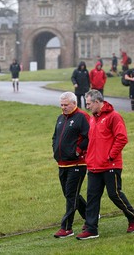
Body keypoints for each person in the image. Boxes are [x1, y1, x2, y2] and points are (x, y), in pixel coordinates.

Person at [76, 89, 134, 240]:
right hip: (94, 165)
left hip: (111, 165)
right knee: (92, 197)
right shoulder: (92, 119)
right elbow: (93, 141)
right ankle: (92, 229)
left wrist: (111, 156)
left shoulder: (114, 116)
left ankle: (133, 218)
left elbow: (122, 138)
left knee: (114, 194)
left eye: (89, 103)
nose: (87, 106)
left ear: (98, 102)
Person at [52, 92, 90, 238]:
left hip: (77, 163)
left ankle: (67, 228)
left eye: (66, 105)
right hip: (62, 163)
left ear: (74, 103)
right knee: (70, 194)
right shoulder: (60, 118)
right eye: (61, 105)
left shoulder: (82, 117)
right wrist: (55, 151)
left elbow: (90, 136)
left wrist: (78, 150)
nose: (63, 108)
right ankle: (90, 216)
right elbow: (55, 136)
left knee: (71, 195)